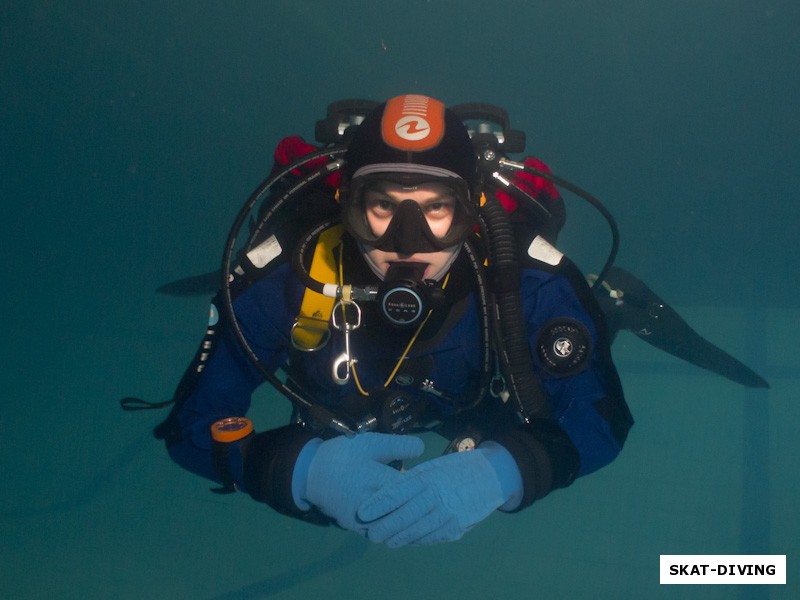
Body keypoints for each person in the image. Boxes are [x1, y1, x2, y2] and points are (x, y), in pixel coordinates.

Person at [152, 94, 634, 547]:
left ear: (472, 208)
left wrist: (506, 469)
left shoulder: (526, 278)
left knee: (573, 345)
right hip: (348, 411)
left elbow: (602, 419)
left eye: (437, 208)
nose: (409, 241)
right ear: (349, 205)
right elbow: (190, 426)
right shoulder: (289, 279)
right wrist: (297, 469)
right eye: (383, 206)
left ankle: (613, 304)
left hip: (478, 407)